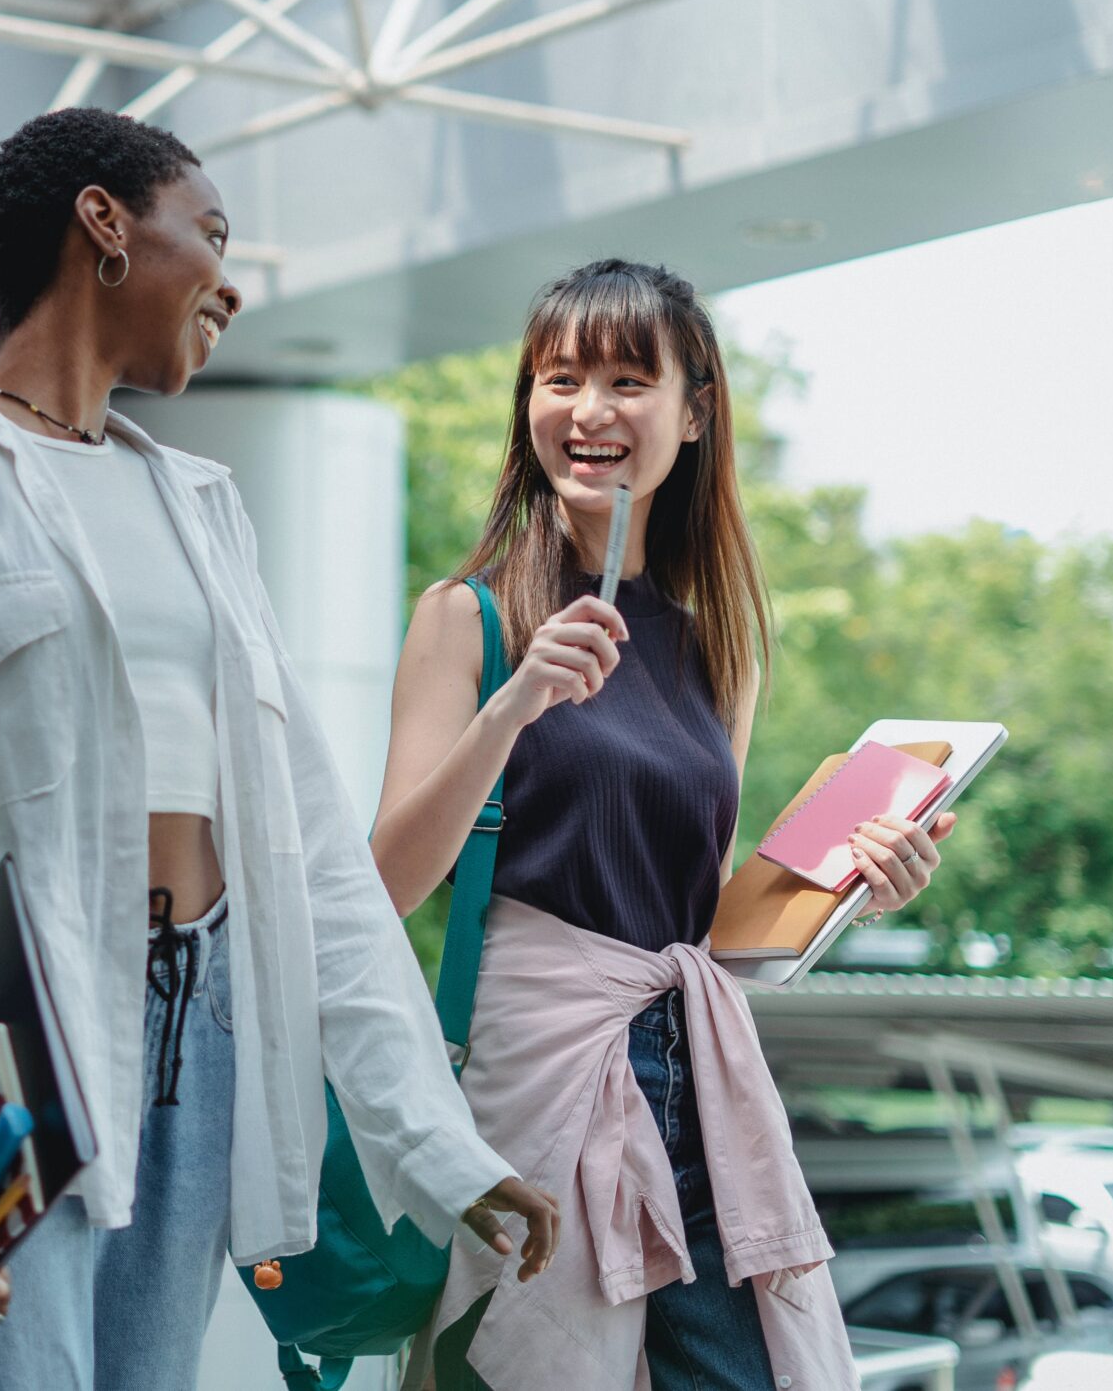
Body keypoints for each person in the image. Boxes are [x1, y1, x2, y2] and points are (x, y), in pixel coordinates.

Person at [0, 108, 558, 1391]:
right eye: (211, 234)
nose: (231, 283)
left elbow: (308, 856)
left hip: (208, 1027)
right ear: (103, 226)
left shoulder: (201, 506)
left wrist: (441, 1149)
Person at [371, 259, 956, 1391]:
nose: (587, 410)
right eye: (558, 377)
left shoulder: (712, 650)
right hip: (534, 1079)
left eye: (628, 379)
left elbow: (705, 920)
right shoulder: (468, 616)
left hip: (698, 1074)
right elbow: (384, 885)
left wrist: (852, 883)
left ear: (693, 414)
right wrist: (511, 705)